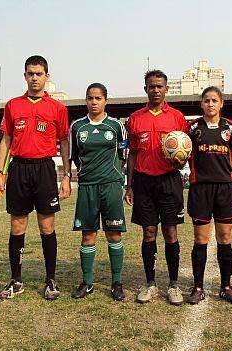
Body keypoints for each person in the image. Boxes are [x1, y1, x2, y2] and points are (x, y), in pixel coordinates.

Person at [0, 55, 71, 300]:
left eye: (39, 74)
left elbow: (64, 141)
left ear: (47, 76)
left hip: (45, 169)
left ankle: (50, 280)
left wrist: (66, 174)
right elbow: (6, 140)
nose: (35, 78)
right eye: (30, 73)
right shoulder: (13, 105)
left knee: (46, 226)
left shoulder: (57, 108)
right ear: (25, 75)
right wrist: (0, 172)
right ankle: (16, 280)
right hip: (18, 169)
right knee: (17, 225)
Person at [124, 69, 187, 305]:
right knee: (148, 231)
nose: (156, 90)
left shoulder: (177, 117)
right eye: (151, 86)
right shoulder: (135, 118)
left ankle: (173, 285)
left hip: (169, 181)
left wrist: (182, 161)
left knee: (171, 232)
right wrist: (129, 186)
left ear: (166, 89)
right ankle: (150, 283)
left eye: (160, 86)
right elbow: (132, 155)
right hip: (143, 181)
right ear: (146, 89)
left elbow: (185, 152)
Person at [69, 83, 128, 301]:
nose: (94, 102)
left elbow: (123, 155)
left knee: (114, 233)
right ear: (86, 100)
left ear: (105, 101)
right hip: (87, 186)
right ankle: (87, 282)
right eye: (90, 98)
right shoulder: (77, 127)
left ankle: (117, 282)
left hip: (111, 185)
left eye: (98, 98)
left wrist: (111, 173)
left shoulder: (116, 126)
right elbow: (75, 157)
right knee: (88, 234)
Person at [186, 86, 232, 305]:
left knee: (225, 238)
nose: (210, 104)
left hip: (224, 188)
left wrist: (226, 170)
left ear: (221, 104)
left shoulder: (230, 127)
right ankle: (198, 287)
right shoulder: (192, 128)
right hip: (200, 187)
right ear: (201, 104)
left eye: (214, 100)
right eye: (206, 100)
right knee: (201, 239)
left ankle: (226, 286)